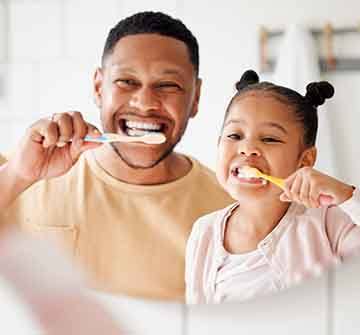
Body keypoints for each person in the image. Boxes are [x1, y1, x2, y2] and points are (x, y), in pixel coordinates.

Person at [0, 12, 233, 301]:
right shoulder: (19, 172)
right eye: (126, 81)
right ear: (99, 87)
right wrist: (17, 176)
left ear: (195, 97)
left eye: (168, 85)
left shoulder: (229, 209)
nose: (145, 103)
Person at [185, 70, 360, 304]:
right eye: (235, 135)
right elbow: (198, 321)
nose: (247, 148)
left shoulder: (329, 222)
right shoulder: (203, 233)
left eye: (269, 139)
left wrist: (347, 195)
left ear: (305, 161)